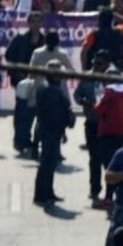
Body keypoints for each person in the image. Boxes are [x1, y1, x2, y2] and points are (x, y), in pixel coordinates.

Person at [93, 60, 123, 210]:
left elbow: (99, 110)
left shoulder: (108, 92)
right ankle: (122, 196)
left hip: (107, 133)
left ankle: (108, 198)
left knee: (109, 167)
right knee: (122, 165)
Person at [33, 60, 74, 207]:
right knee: (47, 163)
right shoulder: (50, 90)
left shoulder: (47, 87)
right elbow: (55, 113)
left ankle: (48, 192)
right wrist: (64, 125)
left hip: (50, 130)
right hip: (50, 130)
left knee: (50, 164)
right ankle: (41, 195)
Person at [75, 49, 111, 204]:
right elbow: (77, 95)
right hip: (92, 122)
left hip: (109, 124)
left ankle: (110, 193)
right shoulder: (87, 78)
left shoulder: (113, 79)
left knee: (109, 160)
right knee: (94, 159)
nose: (95, 66)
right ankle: (94, 189)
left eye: (99, 64)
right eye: (94, 63)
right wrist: (85, 102)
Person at [7, 11, 45, 152]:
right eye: (33, 21)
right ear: (28, 23)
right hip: (22, 82)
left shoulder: (45, 41)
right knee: (22, 113)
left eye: (38, 21)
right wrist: (16, 73)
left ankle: (34, 141)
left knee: (39, 114)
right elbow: (9, 55)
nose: (36, 24)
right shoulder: (20, 39)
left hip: (40, 83)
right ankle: (20, 141)